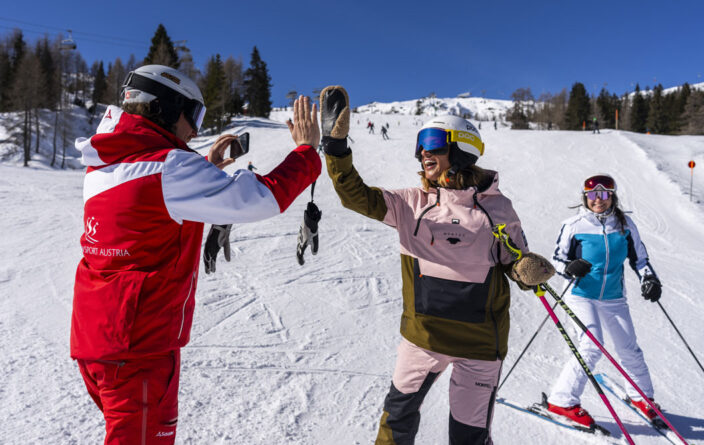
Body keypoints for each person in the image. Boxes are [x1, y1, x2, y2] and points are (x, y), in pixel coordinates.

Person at [70, 64, 321, 445]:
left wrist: (203, 171)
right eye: (195, 115)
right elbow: (257, 200)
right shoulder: (169, 167)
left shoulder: (104, 162)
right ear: (167, 108)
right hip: (140, 349)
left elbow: (150, 208)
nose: (196, 131)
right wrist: (306, 152)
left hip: (98, 341)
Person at [319, 86, 555, 445]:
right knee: (397, 420)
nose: (423, 152)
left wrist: (524, 269)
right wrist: (336, 149)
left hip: (479, 345)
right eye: (420, 145)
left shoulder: (498, 208)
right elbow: (355, 196)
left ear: (462, 148)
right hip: (422, 339)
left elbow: (513, 259)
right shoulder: (410, 204)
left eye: (433, 142)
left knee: (469, 436)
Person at [547, 174, 663, 428]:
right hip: (581, 294)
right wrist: (570, 268)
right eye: (592, 195)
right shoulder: (574, 225)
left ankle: (641, 397)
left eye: (603, 194)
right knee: (591, 345)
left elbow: (640, 259)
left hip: (613, 296)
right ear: (585, 197)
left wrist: (649, 279)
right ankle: (561, 400)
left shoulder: (625, 225)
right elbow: (557, 260)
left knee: (629, 348)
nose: (598, 200)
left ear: (612, 197)